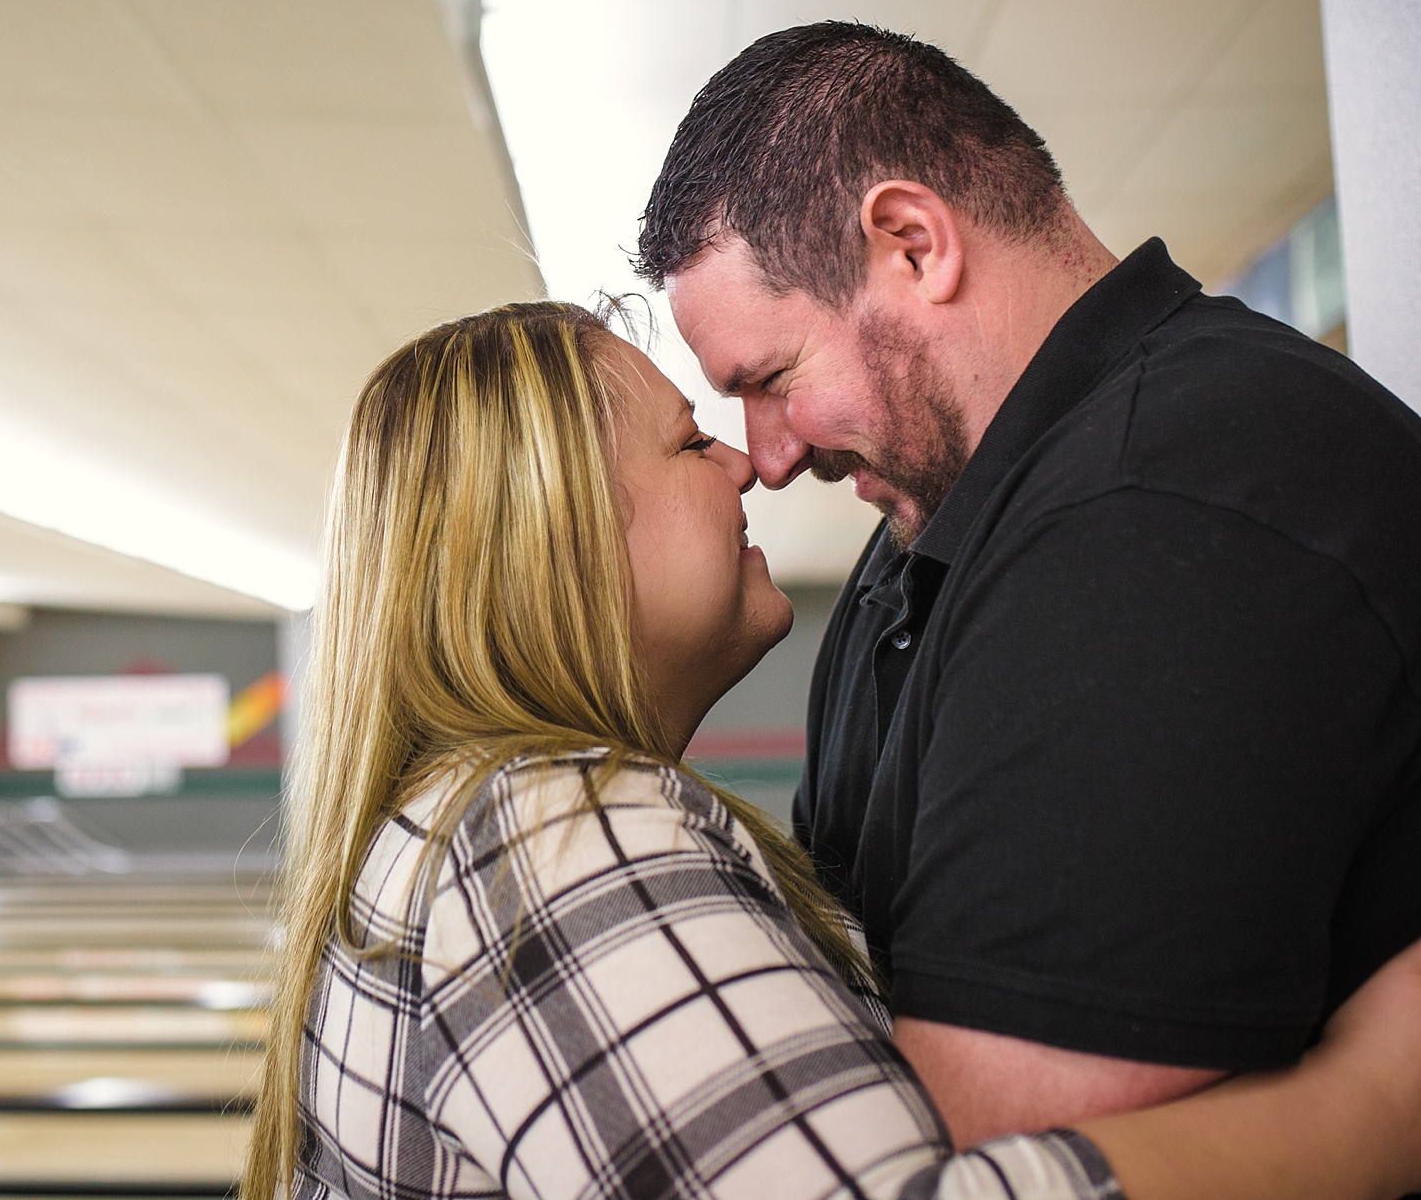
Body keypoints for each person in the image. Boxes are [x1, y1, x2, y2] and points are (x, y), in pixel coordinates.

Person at [245, 300, 1421, 1200]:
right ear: (562, 538)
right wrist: (1372, 1095)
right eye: (686, 442)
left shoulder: (453, 826)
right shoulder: (545, 837)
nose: (751, 462)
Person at [634, 21, 1421, 1146]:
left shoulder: (1157, 511)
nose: (765, 457)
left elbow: (995, 1165)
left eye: (770, 378)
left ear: (911, 243)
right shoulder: (922, 537)